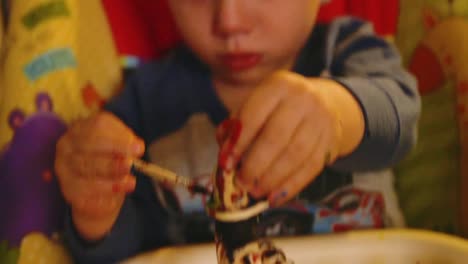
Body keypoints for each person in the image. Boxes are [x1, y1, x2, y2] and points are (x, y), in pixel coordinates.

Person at [54, 1, 421, 263]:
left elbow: (399, 119)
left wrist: (339, 114)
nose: (229, 21)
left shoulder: (348, 51)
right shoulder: (146, 101)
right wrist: (96, 212)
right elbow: (132, 246)